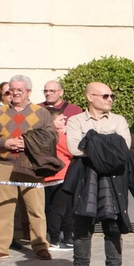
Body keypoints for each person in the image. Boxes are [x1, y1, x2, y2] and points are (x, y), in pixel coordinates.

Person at [62, 83, 134, 266]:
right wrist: (109, 143)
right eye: (105, 96)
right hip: (85, 177)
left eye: (112, 95)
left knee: (113, 227)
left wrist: (92, 142)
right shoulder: (76, 120)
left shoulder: (119, 120)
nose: (110, 99)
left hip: (113, 178)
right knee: (82, 227)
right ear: (90, 97)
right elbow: (74, 148)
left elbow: (124, 148)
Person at [0, 75, 56, 262]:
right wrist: (5, 143)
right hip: (5, 164)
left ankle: (40, 246)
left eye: (19, 90)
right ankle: (2, 248)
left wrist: (28, 143)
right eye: (11, 90)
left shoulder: (41, 113)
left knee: (35, 208)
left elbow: (52, 136)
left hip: (31, 165)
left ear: (28, 92)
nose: (15, 93)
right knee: (4, 208)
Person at [40, 80, 82, 249]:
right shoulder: (60, 136)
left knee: (52, 208)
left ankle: (58, 237)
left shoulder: (43, 135)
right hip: (62, 176)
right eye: (61, 119)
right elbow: (73, 151)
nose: (65, 121)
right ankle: (57, 239)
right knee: (61, 209)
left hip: (47, 177)